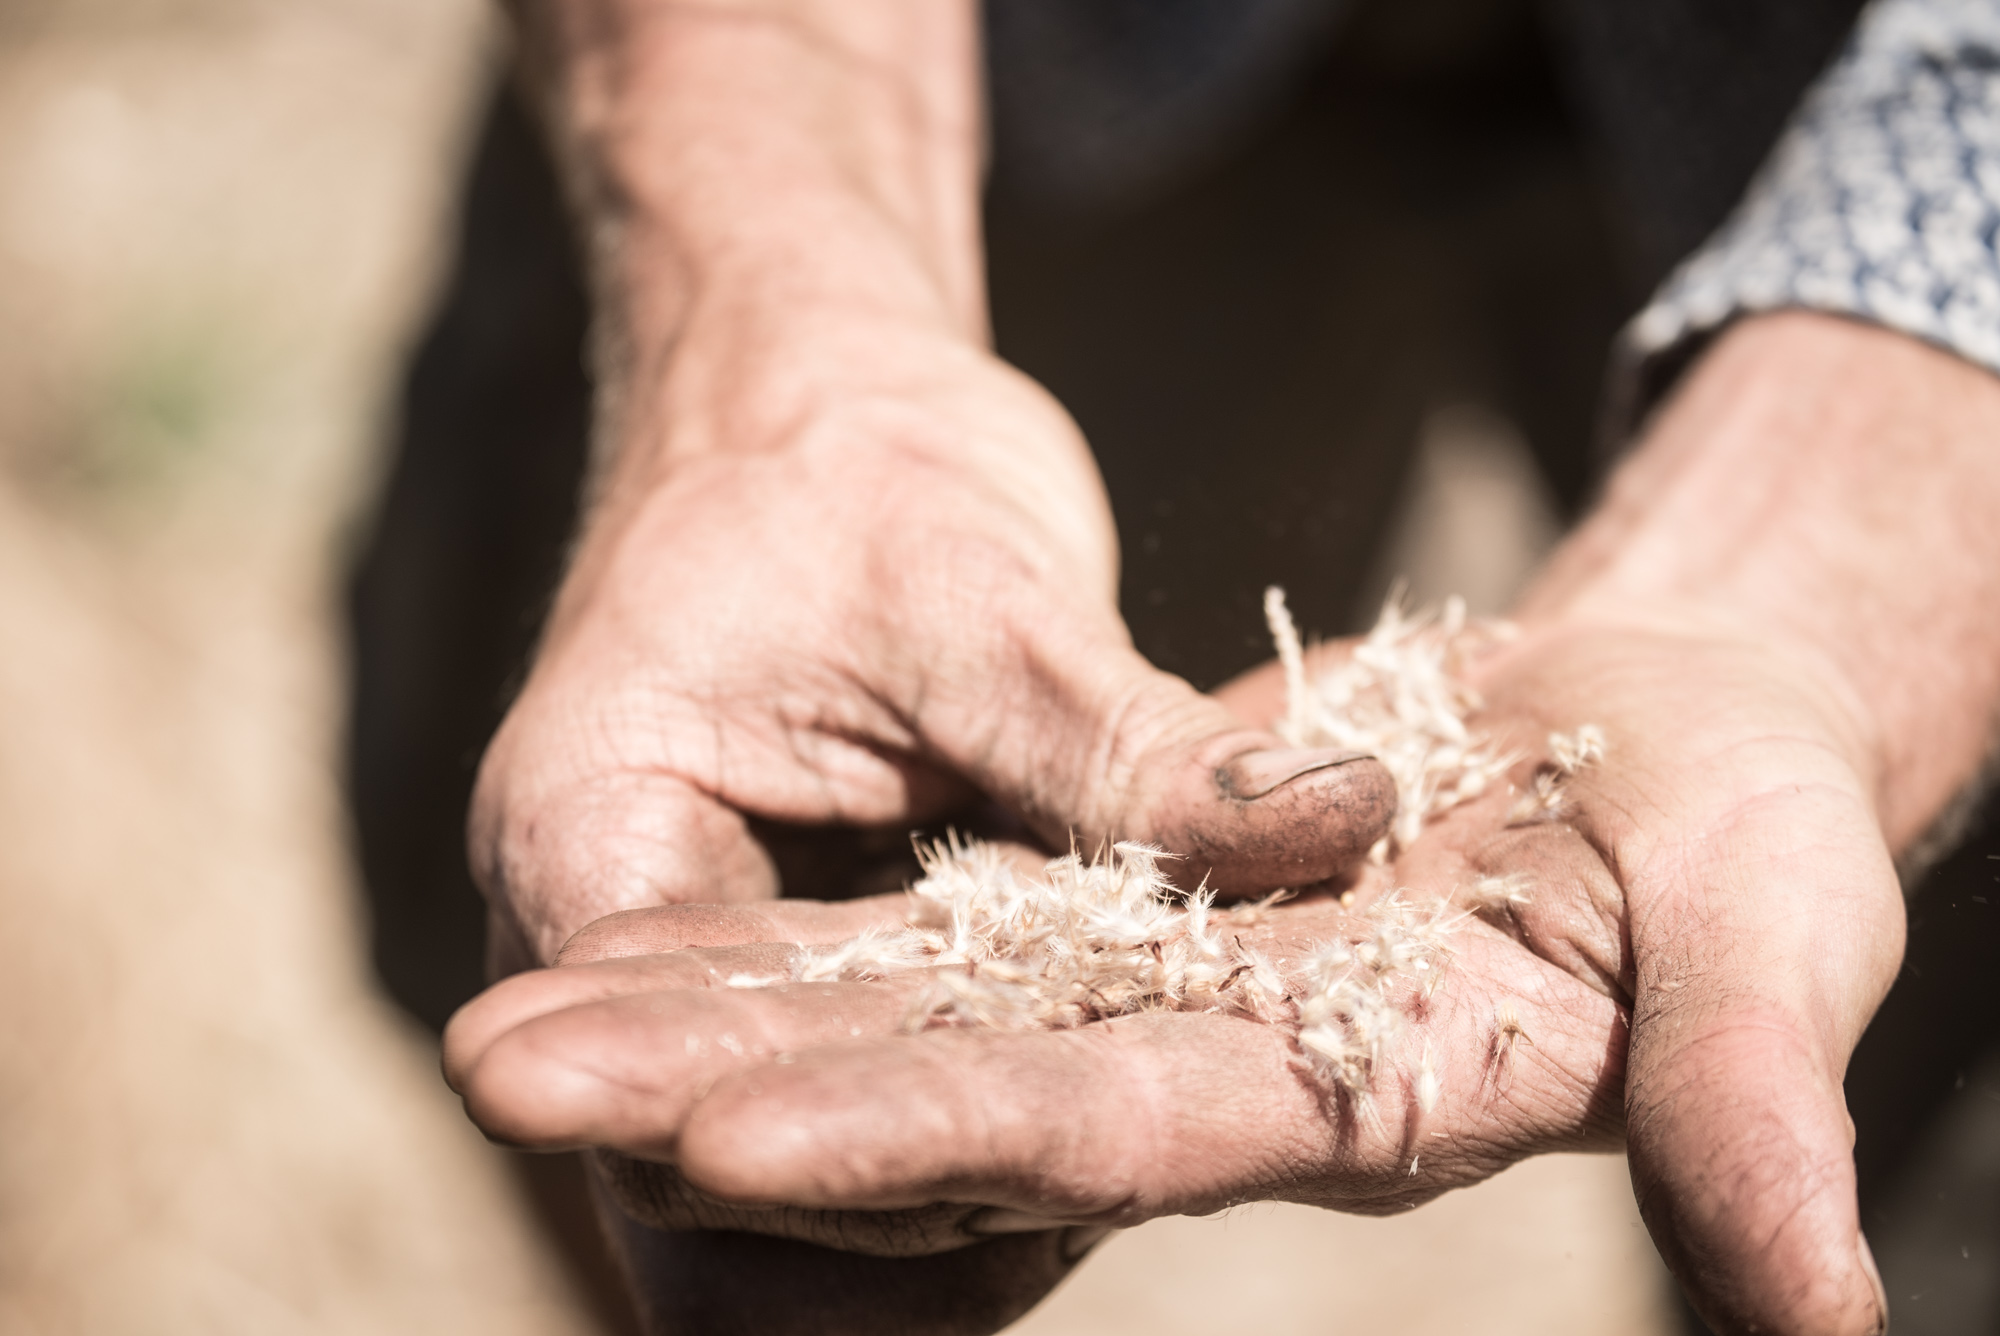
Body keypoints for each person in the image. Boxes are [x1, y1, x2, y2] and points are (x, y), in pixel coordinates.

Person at [442, 1, 2000, 1332]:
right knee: (670, 955)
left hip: (1889, 102)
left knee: (1911, 1138)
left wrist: (1868, 489)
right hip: (1043, 67)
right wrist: (773, 341)